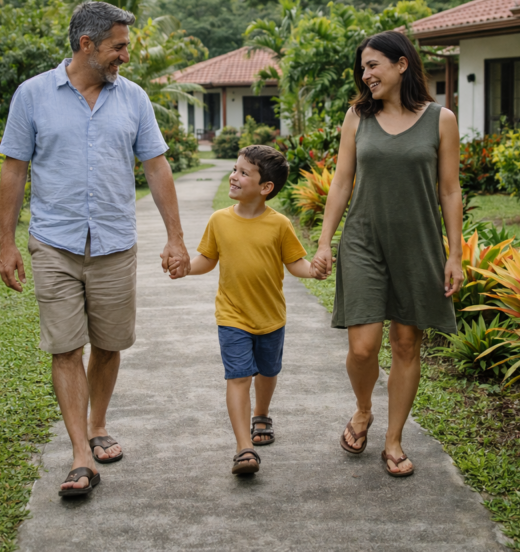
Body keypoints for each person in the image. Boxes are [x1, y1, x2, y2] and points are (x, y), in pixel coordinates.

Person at [0, 1, 191, 499]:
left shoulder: (134, 99)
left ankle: (98, 423)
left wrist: (175, 237)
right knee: (66, 347)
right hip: (54, 242)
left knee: (109, 343)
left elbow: (157, 167)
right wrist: (6, 244)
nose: (126, 56)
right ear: (88, 45)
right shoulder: (33, 95)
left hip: (113, 241)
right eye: (119, 46)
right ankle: (81, 452)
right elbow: (14, 170)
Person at [311, 31, 462, 478]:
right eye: (363, 67)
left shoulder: (441, 119)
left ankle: (393, 440)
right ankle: (363, 410)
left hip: (419, 243)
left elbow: (450, 190)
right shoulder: (358, 116)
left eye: (373, 64)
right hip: (363, 240)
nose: (366, 74)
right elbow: (341, 182)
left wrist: (455, 253)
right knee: (362, 348)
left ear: (401, 65)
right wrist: (324, 241)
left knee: (406, 343)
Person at [188, 145, 324, 475]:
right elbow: (207, 260)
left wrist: (314, 270)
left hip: (270, 317)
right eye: (235, 169)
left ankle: (261, 414)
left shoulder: (279, 225)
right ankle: (243, 447)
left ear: (266, 188)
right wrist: (185, 268)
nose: (234, 176)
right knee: (237, 377)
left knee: (267, 371)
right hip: (232, 316)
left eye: (243, 172)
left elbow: (295, 264)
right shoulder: (219, 220)